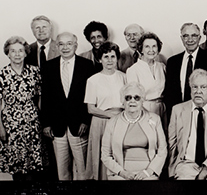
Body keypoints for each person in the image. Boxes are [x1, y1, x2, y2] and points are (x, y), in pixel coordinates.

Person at [41, 32, 95, 180]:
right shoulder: (48, 67)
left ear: (75, 46)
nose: (65, 47)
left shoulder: (87, 65)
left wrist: (85, 120)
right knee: (62, 171)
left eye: (69, 43)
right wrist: (46, 124)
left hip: (79, 125)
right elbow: (45, 98)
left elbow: (90, 96)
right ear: (57, 46)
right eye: (61, 44)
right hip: (57, 126)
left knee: (83, 170)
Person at [168, 69, 207, 180]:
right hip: (186, 163)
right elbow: (172, 143)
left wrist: (205, 170)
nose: (198, 91)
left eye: (203, 87)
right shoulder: (177, 110)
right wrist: (172, 171)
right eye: (194, 87)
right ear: (190, 89)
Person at [101, 82, 167, 180]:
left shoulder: (155, 119)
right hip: (120, 173)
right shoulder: (112, 122)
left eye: (137, 98)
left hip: (148, 172)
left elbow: (162, 150)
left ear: (142, 100)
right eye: (128, 97)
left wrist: (148, 172)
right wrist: (122, 173)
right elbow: (105, 155)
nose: (132, 101)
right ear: (122, 101)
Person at [0, 36, 44, 181]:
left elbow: (40, 97)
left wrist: (41, 120)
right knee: (16, 167)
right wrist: (1, 129)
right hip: (11, 125)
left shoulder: (34, 72)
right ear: (7, 53)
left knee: (34, 167)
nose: (17, 54)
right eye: (13, 51)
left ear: (26, 53)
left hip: (32, 123)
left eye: (20, 51)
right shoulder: (2, 75)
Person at [24, 15, 60, 180]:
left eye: (44, 27)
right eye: (36, 28)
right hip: (32, 107)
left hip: (55, 105)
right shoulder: (26, 51)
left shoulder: (61, 47)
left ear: (50, 28)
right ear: (32, 30)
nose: (40, 30)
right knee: (36, 150)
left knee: (54, 150)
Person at [84, 42, 127, 180]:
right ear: (99, 59)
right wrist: (109, 115)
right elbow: (90, 108)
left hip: (121, 121)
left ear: (117, 58)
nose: (109, 60)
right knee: (101, 155)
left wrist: (120, 116)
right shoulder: (93, 80)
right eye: (106, 56)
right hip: (101, 122)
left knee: (119, 154)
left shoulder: (124, 77)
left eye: (113, 56)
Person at [164, 23, 207, 117]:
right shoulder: (173, 62)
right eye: (186, 36)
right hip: (179, 113)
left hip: (204, 113)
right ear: (181, 38)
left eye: (194, 35)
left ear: (200, 38)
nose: (190, 39)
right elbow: (169, 92)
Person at [126, 32, 167, 133]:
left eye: (154, 46)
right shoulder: (133, 70)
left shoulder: (162, 67)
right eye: (147, 47)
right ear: (141, 49)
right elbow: (133, 97)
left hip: (162, 109)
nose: (151, 50)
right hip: (145, 110)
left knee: (162, 138)